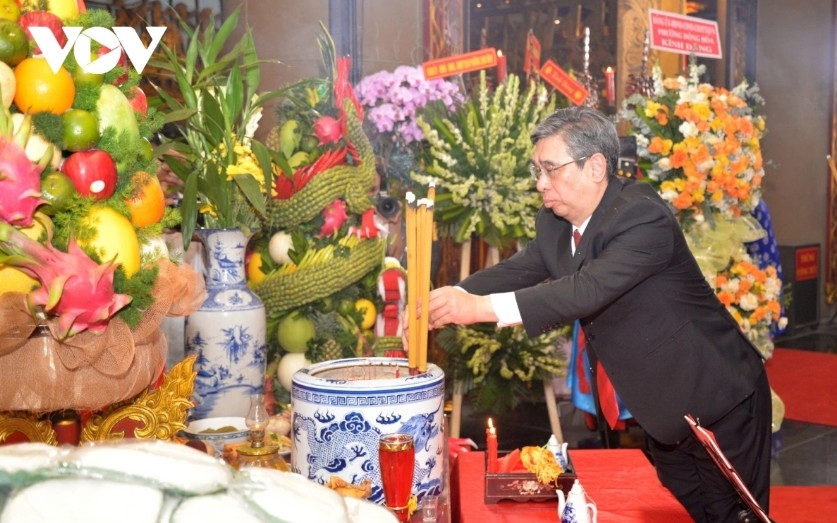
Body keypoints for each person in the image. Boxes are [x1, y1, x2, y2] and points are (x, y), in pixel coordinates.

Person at [411, 106, 772, 522]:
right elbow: (523, 267)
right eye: (536, 172)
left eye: (550, 170)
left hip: (719, 399)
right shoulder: (556, 222)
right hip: (664, 412)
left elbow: (587, 290)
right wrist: (451, 295)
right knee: (686, 514)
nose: (541, 184)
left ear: (596, 166)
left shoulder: (642, 216)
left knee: (735, 517)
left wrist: (476, 309)